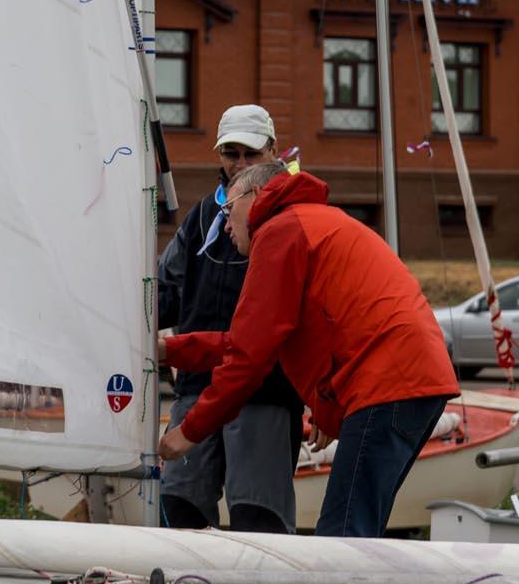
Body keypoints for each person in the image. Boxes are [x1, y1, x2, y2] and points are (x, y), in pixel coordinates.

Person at [156, 162, 458, 538]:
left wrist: (188, 432)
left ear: (254, 198)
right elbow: (249, 341)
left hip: (389, 385)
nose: (224, 226)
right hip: (411, 382)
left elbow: (249, 356)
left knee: (342, 534)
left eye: (227, 211)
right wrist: (169, 350)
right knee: (355, 528)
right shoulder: (308, 222)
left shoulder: (280, 231)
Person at [156, 105, 304, 534]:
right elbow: (167, 291)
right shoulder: (202, 216)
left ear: (273, 151)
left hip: (265, 389)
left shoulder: (288, 217)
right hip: (197, 387)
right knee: (177, 505)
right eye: (230, 153)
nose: (239, 164)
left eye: (250, 154)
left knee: (258, 520)